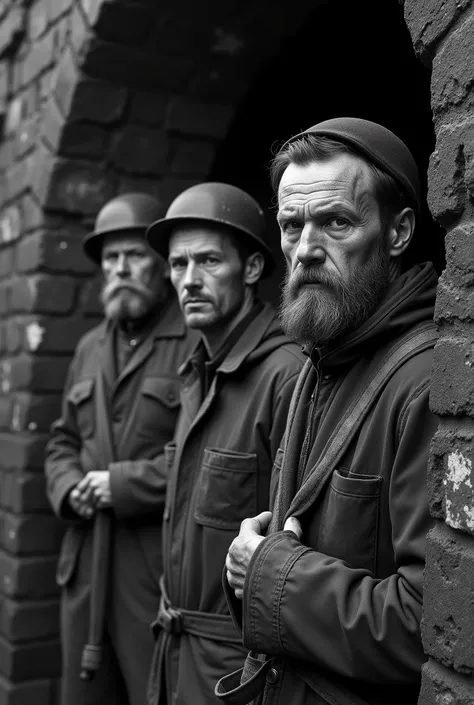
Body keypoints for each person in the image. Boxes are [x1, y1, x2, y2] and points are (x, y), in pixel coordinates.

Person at [221, 118, 439, 705]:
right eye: (292, 226)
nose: (307, 250)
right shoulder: (317, 363)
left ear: (397, 232)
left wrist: (265, 573)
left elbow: (437, 627)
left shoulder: (427, 382)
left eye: (336, 222)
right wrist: (254, 564)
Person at [144, 182, 305, 705]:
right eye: (177, 264)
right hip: (176, 655)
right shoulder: (198, 371)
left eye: (209, 261)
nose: (189, 280)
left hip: (235, 669)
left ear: (253, 268)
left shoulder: (286, 374)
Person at [45, 192, 196, 705]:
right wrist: (69, 489)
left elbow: (199, 455)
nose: (120, 269)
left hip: (151, 571)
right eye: (111, 259)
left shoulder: (194, 340)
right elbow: (62, 439)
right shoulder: (89, 346)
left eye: (134, 256)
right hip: (86, 570)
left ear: (162, 267)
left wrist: (123, 486)